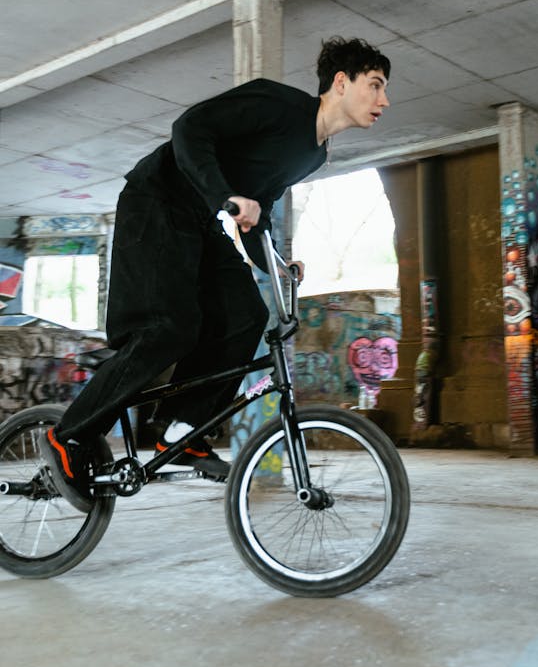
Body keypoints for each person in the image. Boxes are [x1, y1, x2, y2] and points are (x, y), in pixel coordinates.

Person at [40, 37, 391, 512]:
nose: (384, 101)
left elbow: (255, 211)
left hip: (207, 221)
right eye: (375, 85)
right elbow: (190, 129)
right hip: (159, 201)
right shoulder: (278, 103)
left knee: (247, 316)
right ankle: (70, 437)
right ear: (341, 82)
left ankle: (180, 429)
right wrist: (225, 194)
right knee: (169, 327)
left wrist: (278, 264)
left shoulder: (313, 155)